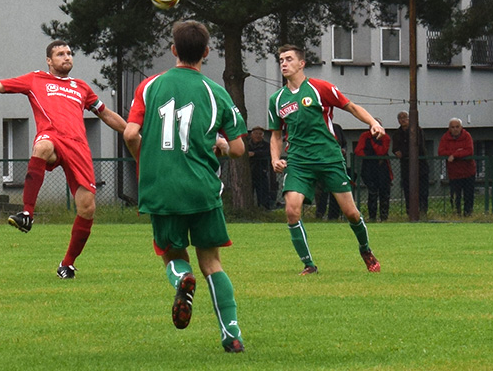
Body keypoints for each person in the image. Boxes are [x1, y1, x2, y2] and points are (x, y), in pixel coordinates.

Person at [0, 40, 127, 279]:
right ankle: (27, 213)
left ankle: (67, 264)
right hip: (53, 136)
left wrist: (131, 131)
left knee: (87, 209)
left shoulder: (82, 88)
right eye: (60, 54)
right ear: (49, 60)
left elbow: (106, 114)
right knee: (42, 146)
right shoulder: (35, 79)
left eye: (69, 53)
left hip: (78, 146)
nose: (66, 57)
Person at [124, 20, 247, 353]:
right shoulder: (215, 91)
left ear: (173, 50)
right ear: (206, 52)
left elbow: (130, 134)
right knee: (212, 263)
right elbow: (238, 149)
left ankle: (181, 280)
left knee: (171, 253)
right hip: (202, 188)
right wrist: (220, 144)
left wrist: (145, 164)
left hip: (161, 188)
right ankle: (231, 334)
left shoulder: (150, 87)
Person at [268, 44, 381, 275]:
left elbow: (350, 106)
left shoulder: (320, 88)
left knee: (350, 212)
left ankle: (365, 249)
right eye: (281, 60)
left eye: (289, 59)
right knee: (291, 211)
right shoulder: (277, 99)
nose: (284, 63)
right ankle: (309, 265)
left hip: (329, 158)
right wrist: (275, 159)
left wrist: (373, 123)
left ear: (302, 63)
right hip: (298, 161)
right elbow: (276, 135)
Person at [354, 118, 392, 222]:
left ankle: (384, 217)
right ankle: (372, 217)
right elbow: (358, 150)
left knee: (384, 193)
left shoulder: (385, 137)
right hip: (369, 168)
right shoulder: (365, 136)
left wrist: (371, 147)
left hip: (382, 169)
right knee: (372, 193)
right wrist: (368, 156)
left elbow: (382, 151)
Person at [391, 111, 429, 213]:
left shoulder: (417, 130)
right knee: (408, 190)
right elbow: (394, 148)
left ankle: (423, 211)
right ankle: (410, 211)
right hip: (406, 165)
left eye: (405, 117)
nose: (403, 120)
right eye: (400, 118)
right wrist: (396, 152)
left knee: (423, 190)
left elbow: (419, 146)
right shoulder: (397, 133)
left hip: (420, 165)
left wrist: (403, 152)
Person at [438, 118, 476, 216]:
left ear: (461, 127)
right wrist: (458, 152)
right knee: (455, 196)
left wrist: (455, 155)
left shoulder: (467, 136)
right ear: (449, 128)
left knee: (468, 195)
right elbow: (441, 152)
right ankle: (456, 213)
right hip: (454, 173)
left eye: (457, 127)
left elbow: (469, 151)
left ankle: (468, 214)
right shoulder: (445, 137)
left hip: (468, 172)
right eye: (453, 127)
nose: (455, 129)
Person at [314, 123, 346, 220]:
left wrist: (343, 150)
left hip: (335, 164)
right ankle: (320, 214)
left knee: (336, 191)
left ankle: (333, 216)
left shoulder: (337, 128)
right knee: (322, 192)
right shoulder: (317, 127)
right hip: (321, 164)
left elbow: (344, 143)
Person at [248, 126, 273, 209]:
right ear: (251, 135)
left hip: (261, 172)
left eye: (260, 134)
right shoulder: (246, 144)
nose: (258, 136)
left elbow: (267, 153)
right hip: (248, 173)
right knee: (248, 192)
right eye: (256, 133)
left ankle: (263, 209)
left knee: (263, 193)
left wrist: (254, 154)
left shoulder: (266, 145)